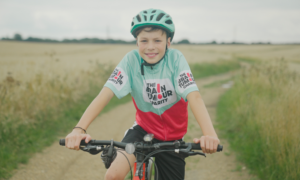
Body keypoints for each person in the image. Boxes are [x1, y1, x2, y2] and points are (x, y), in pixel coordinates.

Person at [65, 8, 220, 180]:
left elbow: (195, 97)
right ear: (137, 42)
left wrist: (210, 135)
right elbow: (105, 95)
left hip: (172, 138)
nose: (150, 47)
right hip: (142, 132)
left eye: (157, 40)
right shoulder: (131, 61)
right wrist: (78, 130)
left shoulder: (176, 60)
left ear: (168, 42)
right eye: (144, 40)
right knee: (113, 175)